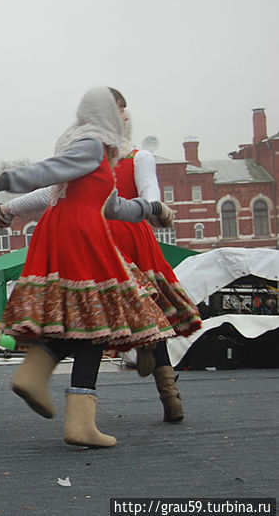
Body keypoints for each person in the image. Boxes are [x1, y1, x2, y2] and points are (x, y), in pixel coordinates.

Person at [0, 87, 177, 448]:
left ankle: (41, 377)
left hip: (71, 228)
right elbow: (46, 173)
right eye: (118, 111)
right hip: (83, 234)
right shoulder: (91, 145)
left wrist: (152, 209)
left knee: (88, 323)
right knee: (97, 320)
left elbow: (113, 204)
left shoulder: (96, 152)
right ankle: (73, 413)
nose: (124, 118)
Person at [108, 112, 201, 422]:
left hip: (103, 237)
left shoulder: (91, 161)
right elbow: (151, 197)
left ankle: (81, 405)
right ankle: (170, 396)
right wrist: (159, 210)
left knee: (95, 314)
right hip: (134, 235)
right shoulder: (138, 157)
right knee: (149, 312)